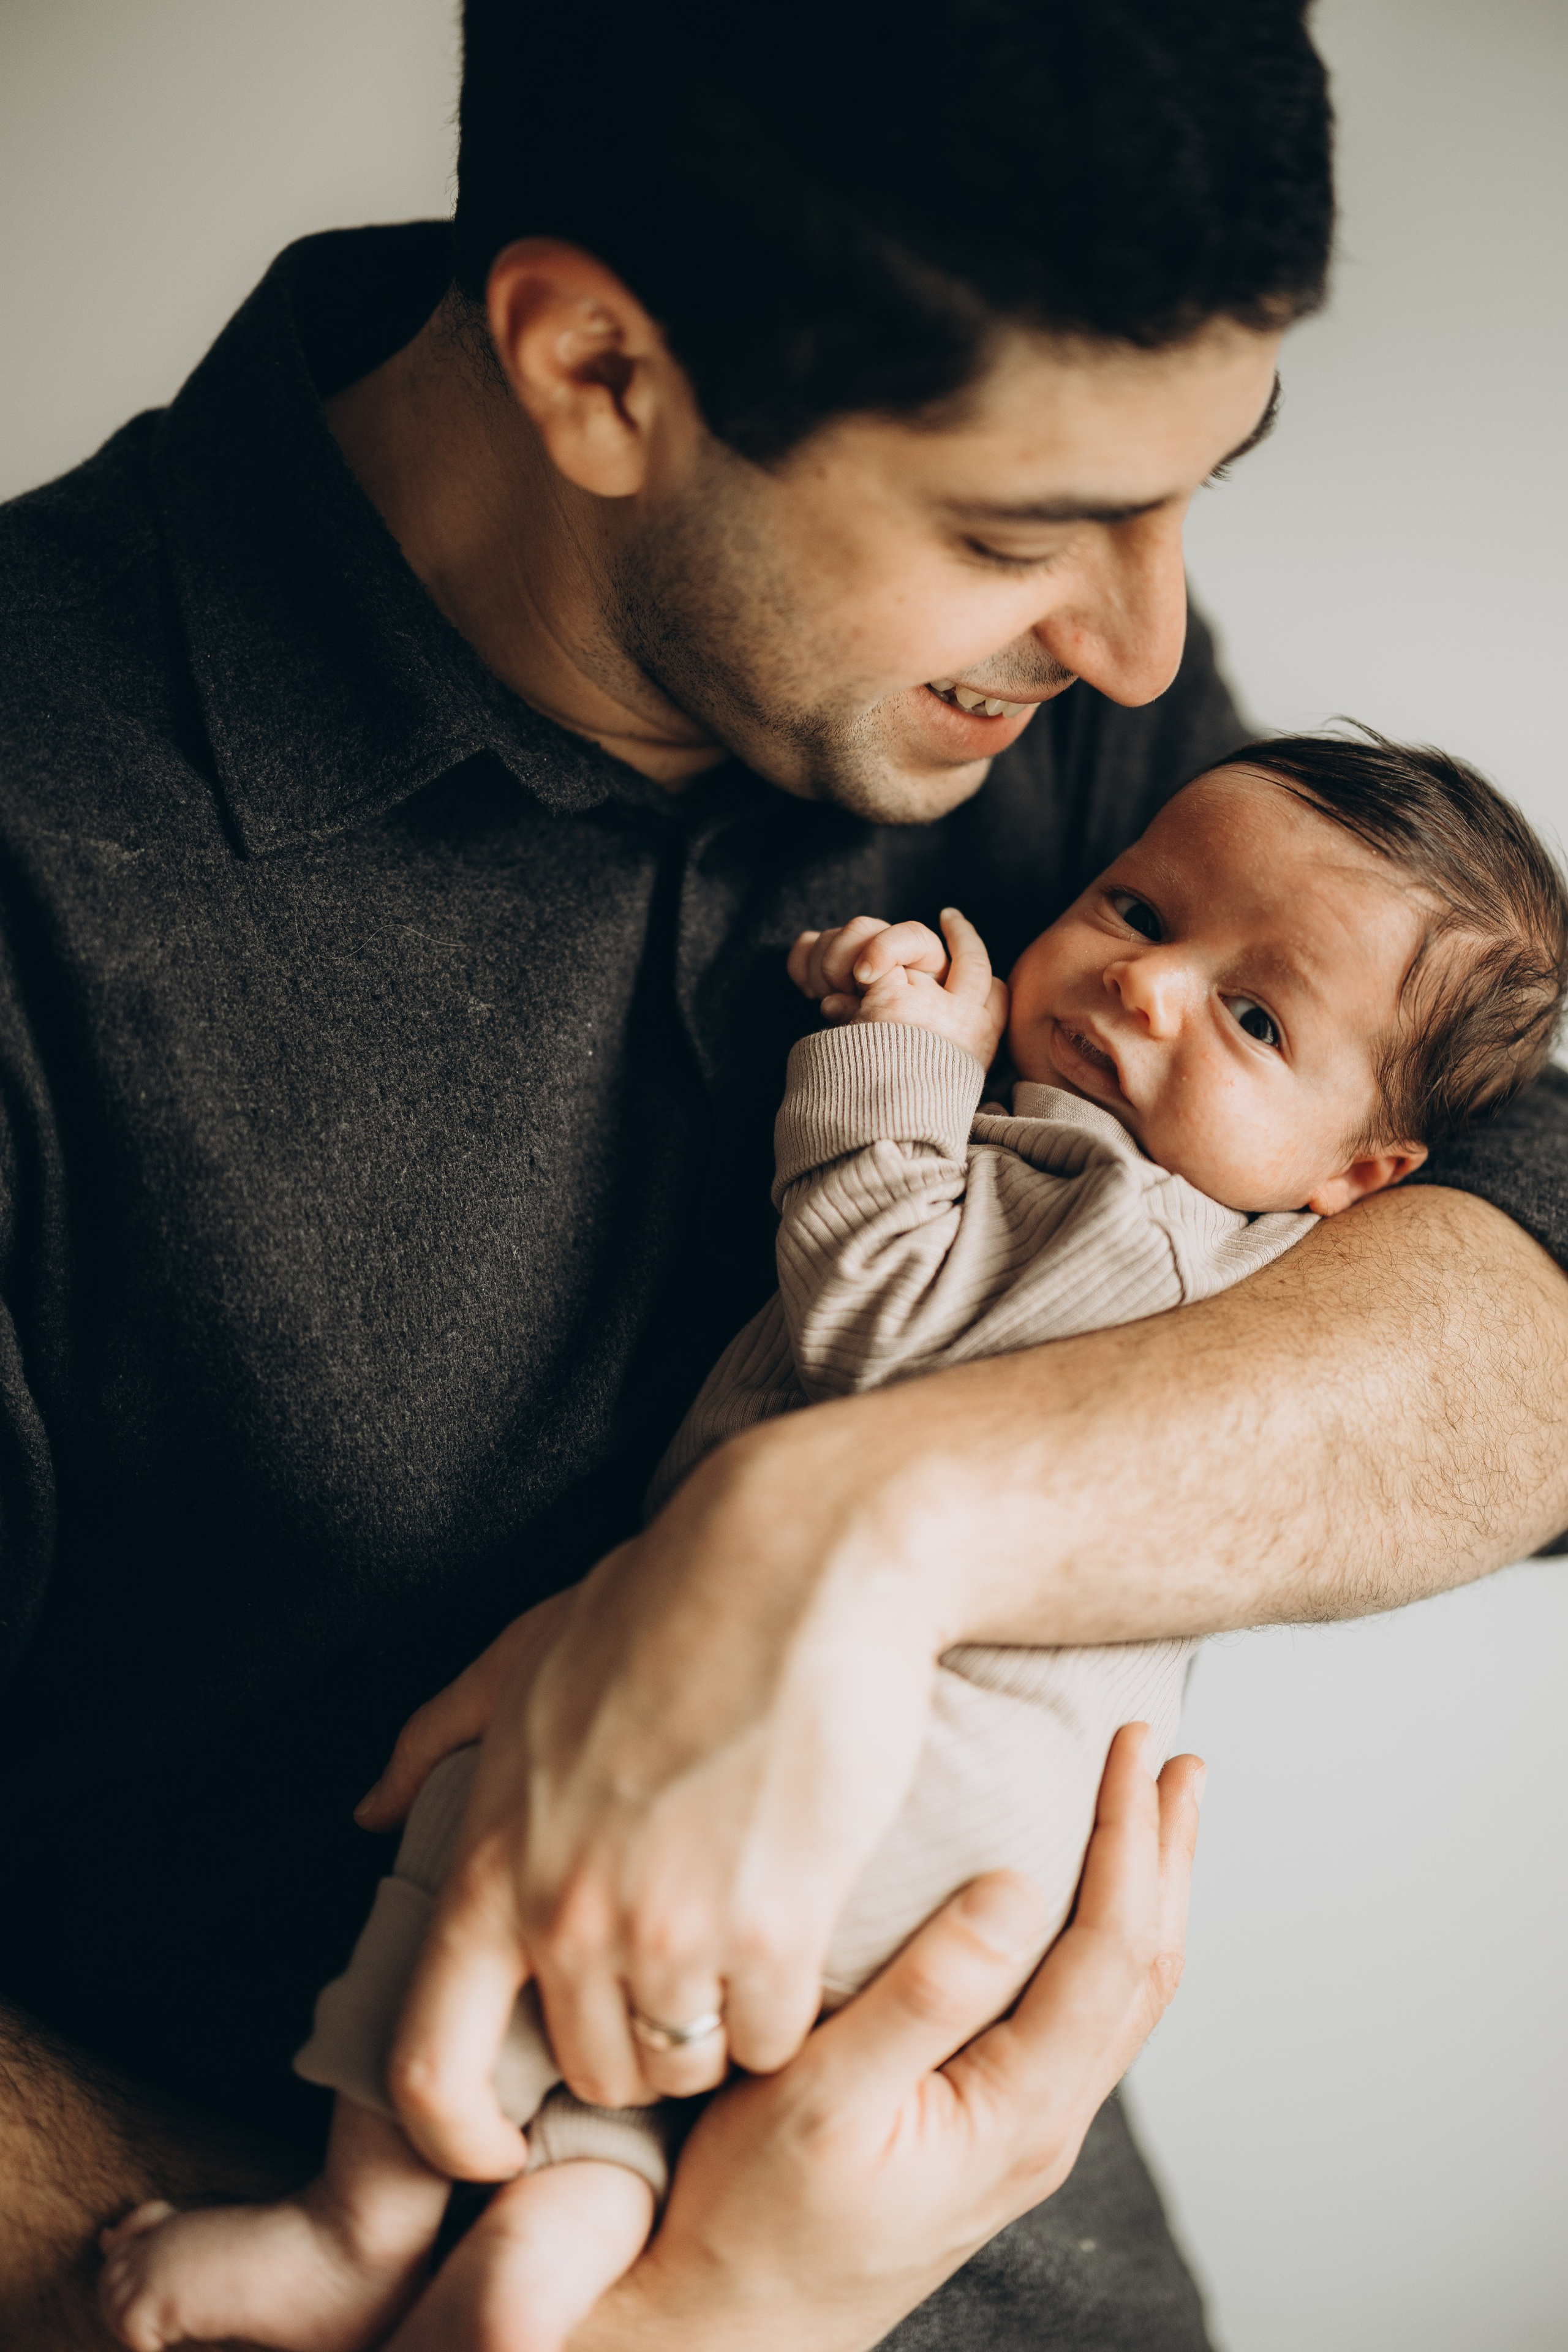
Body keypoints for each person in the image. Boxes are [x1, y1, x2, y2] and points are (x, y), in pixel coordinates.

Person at [4, 2, 1567, 2346]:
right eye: (1021, 533)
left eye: (1199, 489)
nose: (1143, 641)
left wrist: (849, 1530)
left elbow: (1530, 1238)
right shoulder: (47, 865)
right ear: (598, 371)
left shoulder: (1080, 734)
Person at [94, 734, 1568, 2352]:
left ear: (1361, 1179)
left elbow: (876, 1321)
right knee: (638, 2082)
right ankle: (551, 2247)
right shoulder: (1135, 1204)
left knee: (504, 1793)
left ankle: (357, 2220)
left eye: (1259, 1018)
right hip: (949, 1861)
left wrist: (900, 1056)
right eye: (1139, 910)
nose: (1150, 989)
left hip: (890, 1786)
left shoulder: (1129, 1224)